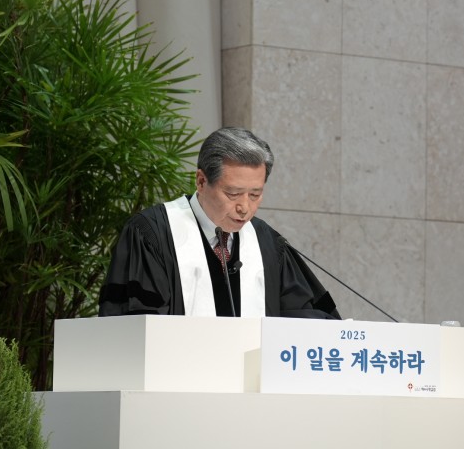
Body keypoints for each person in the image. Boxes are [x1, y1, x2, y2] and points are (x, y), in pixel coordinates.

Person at [99, 127, 340, 319]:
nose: (244, 207)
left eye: (255, 195)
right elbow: (135, 324)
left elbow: (305, 318)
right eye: (233, 194)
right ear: (201, 181)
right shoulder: (153, 233)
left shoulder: (266, 241)